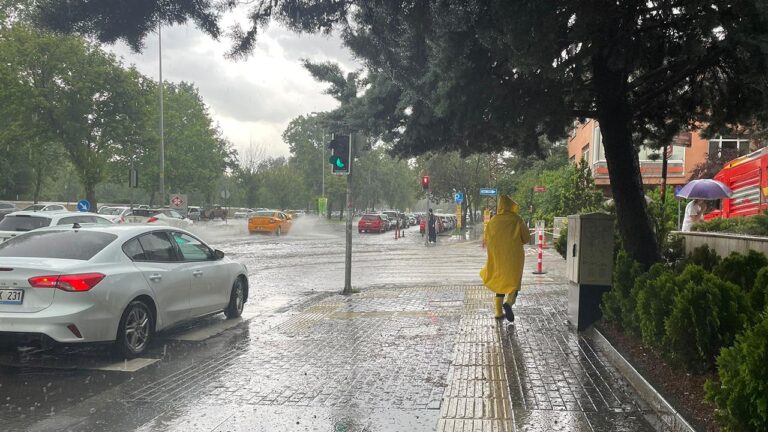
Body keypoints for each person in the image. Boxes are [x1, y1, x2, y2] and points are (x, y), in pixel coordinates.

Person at [480, 195, 530, 322]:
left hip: (498, 257)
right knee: (514, 283)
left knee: (500, 283)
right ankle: (509, 303)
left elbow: (487, 239)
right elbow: (526, 238)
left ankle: (498, 312)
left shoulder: (493, 221)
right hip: (514, 258)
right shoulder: (517, 220)